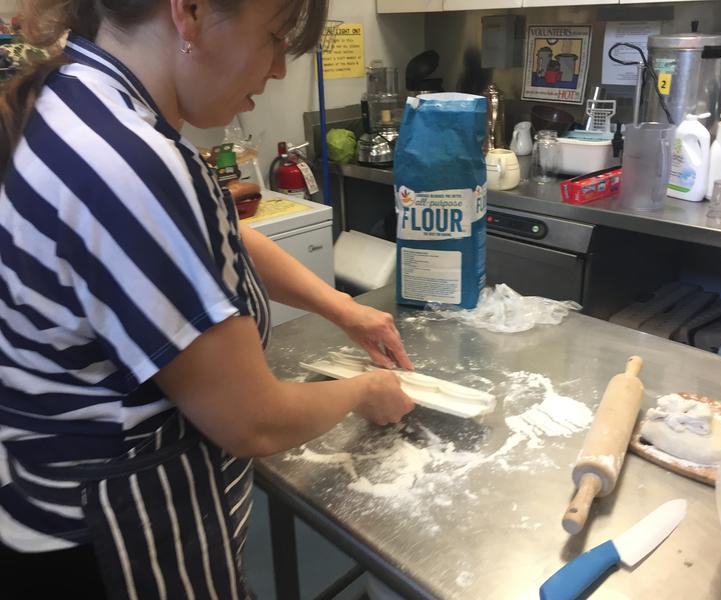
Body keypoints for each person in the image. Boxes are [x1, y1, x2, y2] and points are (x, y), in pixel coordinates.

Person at [0, 0, 415, 597]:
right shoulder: (130, 165)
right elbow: (253, 421)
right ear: (189, 12)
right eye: (274, 38)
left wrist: (343, 308)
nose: (277, 69)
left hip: (50, 515)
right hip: (115, 545)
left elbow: (218, 232)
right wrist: (362, 392)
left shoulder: (81, 101)